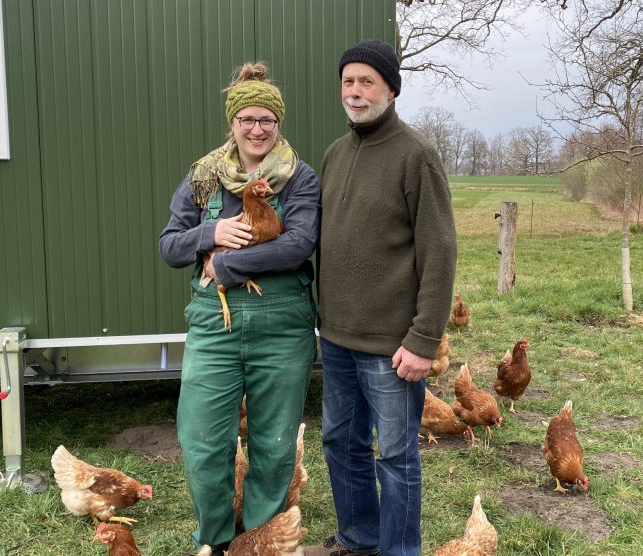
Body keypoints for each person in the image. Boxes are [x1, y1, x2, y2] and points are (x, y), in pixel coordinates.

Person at [159, 62, 320, 555]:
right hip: (214, 325)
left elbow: (299, 244)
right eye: (247, 118)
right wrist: (212, 233)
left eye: (267, 120)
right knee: (203, 437)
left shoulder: (300, 177)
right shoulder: (203, 177)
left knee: (273, 445)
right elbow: (169, 247)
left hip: (282, 324)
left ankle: (259, 538)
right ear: (232, 122)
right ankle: (214, 536)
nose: (257, 129)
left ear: (279, 124)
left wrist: (226, 265)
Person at [307, 39, 457, 556]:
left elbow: (440, 251)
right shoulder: (334, 154)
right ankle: (359, 538)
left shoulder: (416, 155)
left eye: (366, 81)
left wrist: (423, 338)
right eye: (347, 81)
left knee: (395, 457)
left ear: (390, 89)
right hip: (338, 338)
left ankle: (398, 550)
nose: (355, 91)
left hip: (392, 347)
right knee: (341, 445)